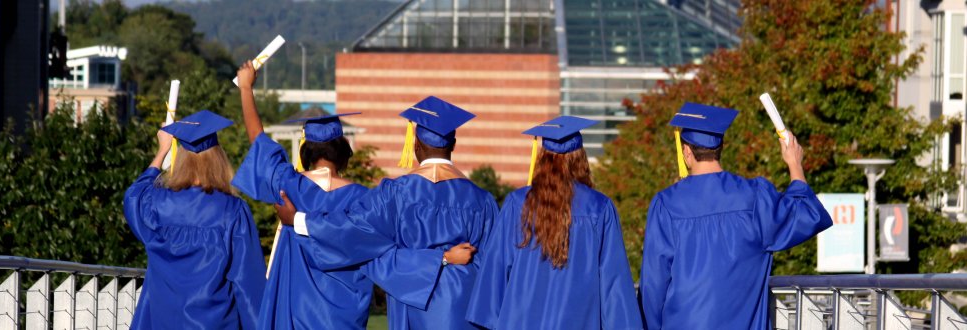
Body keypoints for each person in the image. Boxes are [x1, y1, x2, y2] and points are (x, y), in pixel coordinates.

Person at [232, 63, 475, 329]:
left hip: (295, 313)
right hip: (343, 318)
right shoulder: (364, 199)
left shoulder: (287, 187)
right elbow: (386, 254)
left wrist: (246, 88)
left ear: (306, 149)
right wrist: (443, 258)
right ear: (344, 149)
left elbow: (260, 143)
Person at [274, 96, 497, 330]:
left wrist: (298, 220)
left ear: (415, 145)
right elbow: (494, 266)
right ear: (453, 145)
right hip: (468, 308)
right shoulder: (482, 201)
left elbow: (354, 230)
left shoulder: (396, 194)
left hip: (414, 302)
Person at [638, 102, 833, 330]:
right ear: (721, 147)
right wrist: (794, 163)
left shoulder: (667, 203)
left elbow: (654, 283)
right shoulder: (755, 196)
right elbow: (805, 214)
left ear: (686, 152)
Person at [467, 116, 642, 330]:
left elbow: (494, 276)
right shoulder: (599, 208)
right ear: (580, 158)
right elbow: (613, 284)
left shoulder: (517, 204)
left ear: (542, 157)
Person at [123, 110, 265, 329]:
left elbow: (134, 196)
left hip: (162, 321)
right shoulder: (233, 211)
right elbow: (246, 282)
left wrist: (162, 151)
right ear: (218, 159)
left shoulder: (157, 204)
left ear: (181, 160)